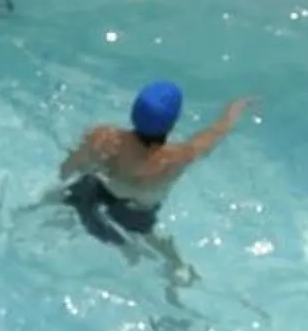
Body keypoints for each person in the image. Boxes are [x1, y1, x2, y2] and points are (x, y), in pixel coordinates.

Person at [58, 82, 252, 252]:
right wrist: (234, 110)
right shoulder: (177, 158)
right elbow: (215, 133)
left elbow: (66, 170)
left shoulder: (102, 137)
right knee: (168, 256)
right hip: (133, 220)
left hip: (85, 197)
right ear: (172, 124)